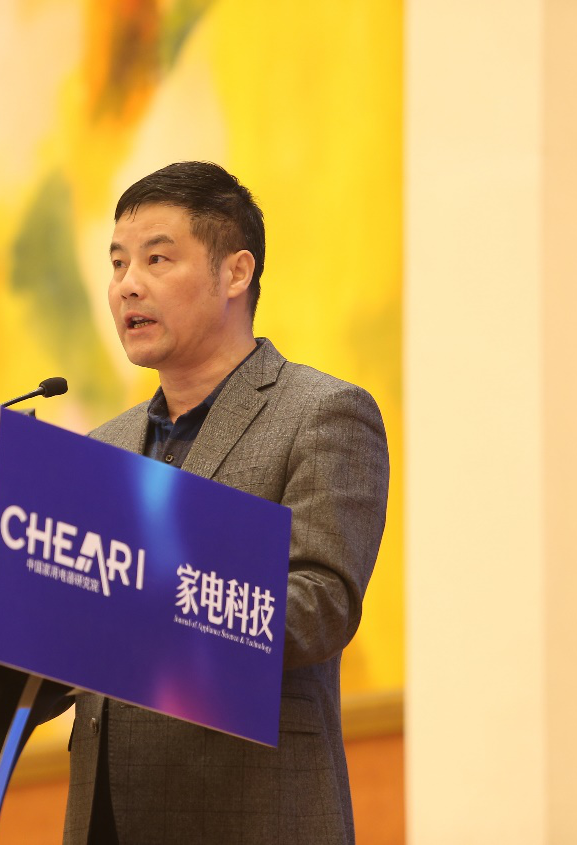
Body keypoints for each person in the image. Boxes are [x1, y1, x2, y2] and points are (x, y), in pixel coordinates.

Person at [63, 161, 390, 844]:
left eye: (157, 259)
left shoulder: (321, 414)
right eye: (117, 263)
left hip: (250, 809)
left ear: (235, 273)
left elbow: (319, 607)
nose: (127, 285)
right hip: (108, 818)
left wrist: (150, 600)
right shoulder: (103, 448)